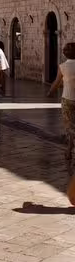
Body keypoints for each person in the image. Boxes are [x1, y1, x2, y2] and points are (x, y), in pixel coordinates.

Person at [48, 42, 75, 177]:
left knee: (70, 126)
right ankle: (69, 150)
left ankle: (69, 150)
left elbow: (57, 82)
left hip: (67, 99)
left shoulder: (63, 66)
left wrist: (50, 92)